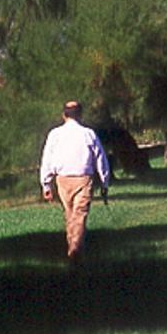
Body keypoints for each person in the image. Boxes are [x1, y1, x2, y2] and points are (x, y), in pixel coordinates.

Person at [40, 101, 111, 263]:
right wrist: (104, 181)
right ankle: (76, 250)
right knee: (79, 215)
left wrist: (46, 183)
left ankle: (74, 249)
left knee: (71, 214)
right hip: (83, 179)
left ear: (64, 115)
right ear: (80, 115)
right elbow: (101, 159)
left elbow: (47, 159)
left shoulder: (55, 134)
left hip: (62, 179)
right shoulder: (88, 134)